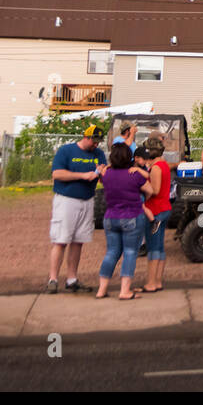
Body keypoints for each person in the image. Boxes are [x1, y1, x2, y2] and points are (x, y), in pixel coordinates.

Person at [47, 124, 106, 294]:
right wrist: (83, 176)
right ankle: (53, 279)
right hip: (67, 200)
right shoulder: (67, 151)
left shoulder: (99, 154)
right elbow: (57, 174)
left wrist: (102, 173)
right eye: (94, 141)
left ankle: (72, 279)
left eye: (98, 142)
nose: (96, 145)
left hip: (87, 200)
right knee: (61, 240)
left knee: (78, 241)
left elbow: (102, 173)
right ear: (85, 137)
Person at [96, 142, 155, 299]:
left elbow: (102, 176)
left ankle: (101, 289)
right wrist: (141, 200)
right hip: (132, 216)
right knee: (130, 252)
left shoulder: (106, 174)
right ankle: (125, 290)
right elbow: (150, 190)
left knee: (111, 252)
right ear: (129, 157)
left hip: (110, 217)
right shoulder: (133, 174)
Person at [141, 136, 170, 293]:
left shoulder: (156, 167)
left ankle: (151, 282)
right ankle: (157, 281)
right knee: (159, 246)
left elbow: (155, 190)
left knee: (153, 247)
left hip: (156, 209)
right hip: (164, 208)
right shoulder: (163, 164)